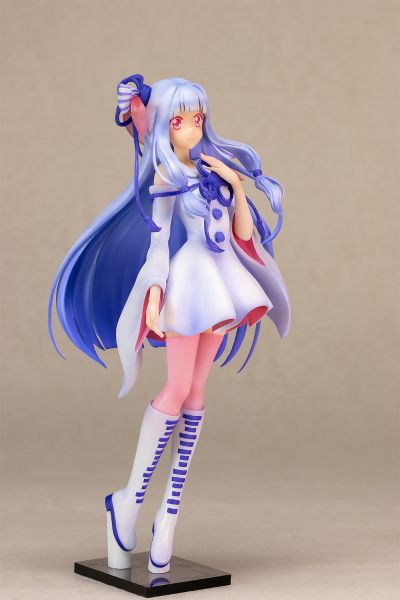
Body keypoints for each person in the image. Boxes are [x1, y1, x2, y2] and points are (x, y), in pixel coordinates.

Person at [48, 75, 291, 573]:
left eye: (197, 118)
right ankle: (130, 499)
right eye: (180, 120)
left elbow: (242, 235)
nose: (192, 128)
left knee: (196, 395)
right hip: (189, 285)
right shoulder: (165, 175)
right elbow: (157, 244)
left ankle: (169, 514)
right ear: (164, 125)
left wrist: (237, 186)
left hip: (223, 285)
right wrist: (154, 295)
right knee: (176, 389)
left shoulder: (213, 171)